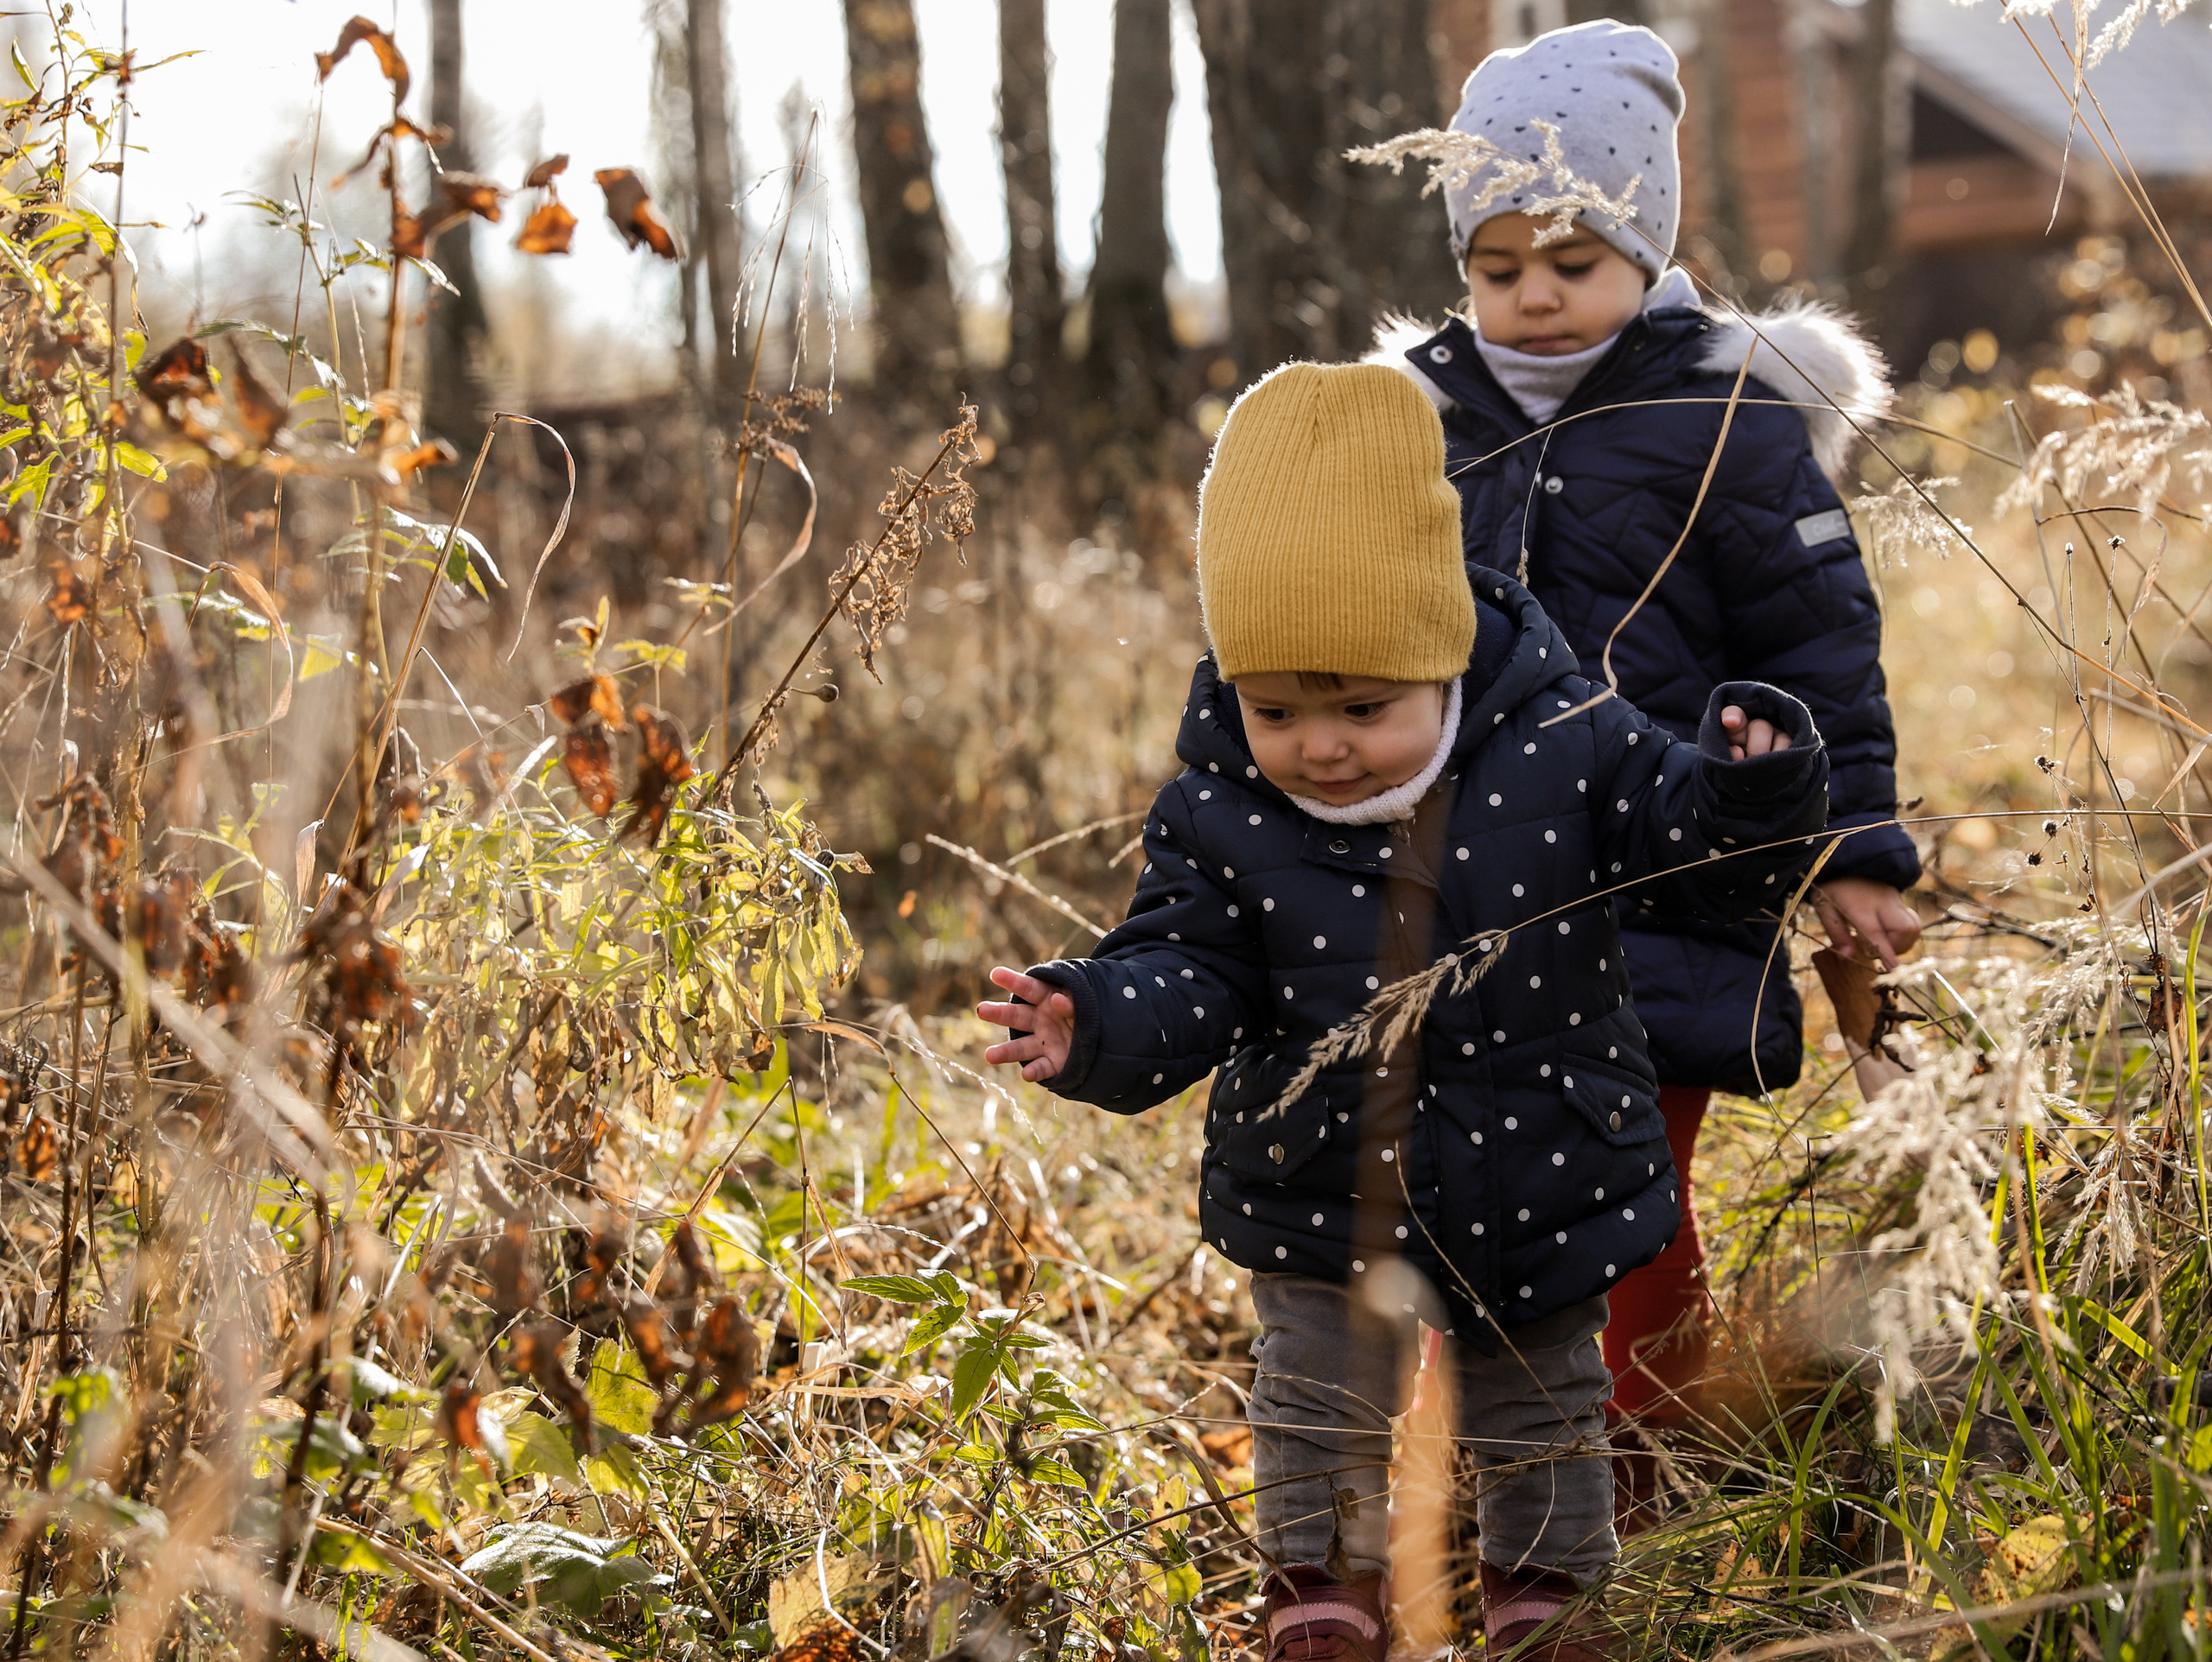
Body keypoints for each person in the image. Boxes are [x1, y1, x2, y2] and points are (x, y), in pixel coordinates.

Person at [975, 361, 1832, 1661]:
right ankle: (1322, 1591)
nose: (1320, 747)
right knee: (1314, 1396)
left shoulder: (1564, 736)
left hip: (1541, 1153)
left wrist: (1750, 792)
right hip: (1319, 1173)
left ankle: (1546, 1595)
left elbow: (1689, 850)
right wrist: (1095, 1019)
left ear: (1438, 652)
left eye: (1363, 709)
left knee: (1541, 1395)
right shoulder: (1221, 805)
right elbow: (1190, 965)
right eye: (1276, 710)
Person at [1375, 20, 1923, 1513]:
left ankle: (1637, 1488)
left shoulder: (1728, 420)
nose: (1535, 296)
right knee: (1459, 1201)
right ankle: (1462, 1499)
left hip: (1670, 885)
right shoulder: (1419, 433)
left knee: (1624, 1206)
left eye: (1575, 259)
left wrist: (1856, 845)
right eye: (1498, 267)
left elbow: (1823, 645)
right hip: (1473, 904)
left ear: (1649, 246)